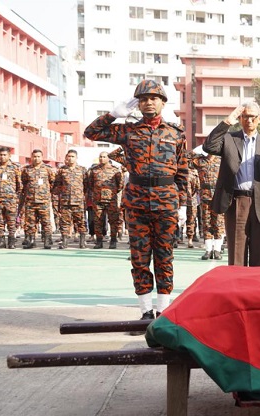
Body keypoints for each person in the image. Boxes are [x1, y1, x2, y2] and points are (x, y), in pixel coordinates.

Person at [84, 79, 188, 320]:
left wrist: (182, 204)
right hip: (137, 202)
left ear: (162, 102)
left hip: (166, 203)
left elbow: (182, 172)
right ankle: (145, 311)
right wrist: (112, 114)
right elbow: (91, 132)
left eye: (153, 98)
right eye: (143, 99)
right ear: (137, 105)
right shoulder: (128, 130)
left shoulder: (176, 134)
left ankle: (164, 310)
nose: (148, 102)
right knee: (139, 257)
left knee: (165, 256)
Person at [203, 102, 260, 266]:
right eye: (245, 116)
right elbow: (209, 146)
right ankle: (236, 289)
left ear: (259, 119)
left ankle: (257, 290)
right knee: (236, 252)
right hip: (236, 202)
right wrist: (227, 122)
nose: (249, 120)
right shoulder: (229, 139)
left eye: (253, 116)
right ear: (240, 118)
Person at [187, 149, 225, 260]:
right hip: (205, 197)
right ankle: (208, 250)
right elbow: (187, 157)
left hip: (218, 196)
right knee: (206, 223)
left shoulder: (222, 161)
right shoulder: (201, 161)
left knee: (218, 223)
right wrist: (200, 154)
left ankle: (217, 250)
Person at [86, 151, 123, 250]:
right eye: (100, 157)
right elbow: (90, 184)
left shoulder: (115, 171)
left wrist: (113, 192)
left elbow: (120, 185)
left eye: (104, 157)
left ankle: (113, 240)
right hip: (97, 200)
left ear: (108, 158)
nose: (102, 158)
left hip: (111, 199)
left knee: (113, 220)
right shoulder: (93, 170)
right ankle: (99, 241)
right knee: (98, 220)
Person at [20, 149, 56, 249]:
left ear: (42, 157)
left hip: (43, 200)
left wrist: (47, 194)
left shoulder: (48, 169)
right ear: (31, 157)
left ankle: (47, 240)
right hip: (30, 200)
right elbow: (23, 183)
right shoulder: (26, 169)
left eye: (38, 156)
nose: (36, 158)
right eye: (34, 156)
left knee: (45, 222)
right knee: (30, 223)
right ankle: (31, 240)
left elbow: (53, 183)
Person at [53, 150, 88, 249]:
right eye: (68, 156)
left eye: (72, 156)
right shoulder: (62, 170)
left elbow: (86, 185)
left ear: (76, 158)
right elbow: (57, 185)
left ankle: (82, 241)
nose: (70, 158)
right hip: (65, 201)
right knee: (64, 222)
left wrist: (81, 196)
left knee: (81, 222)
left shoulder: (82, 170)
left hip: (78, 201)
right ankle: (64, 241)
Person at [0, 147, 21, 249]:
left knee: (11, 222)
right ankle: (1, 240)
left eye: (5, 155)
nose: (2, 157)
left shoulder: (15, 168)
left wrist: (17, 198)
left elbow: (19, 185)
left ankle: (11, 241)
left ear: (9, 156)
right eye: (1, 155)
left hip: (10, 199)